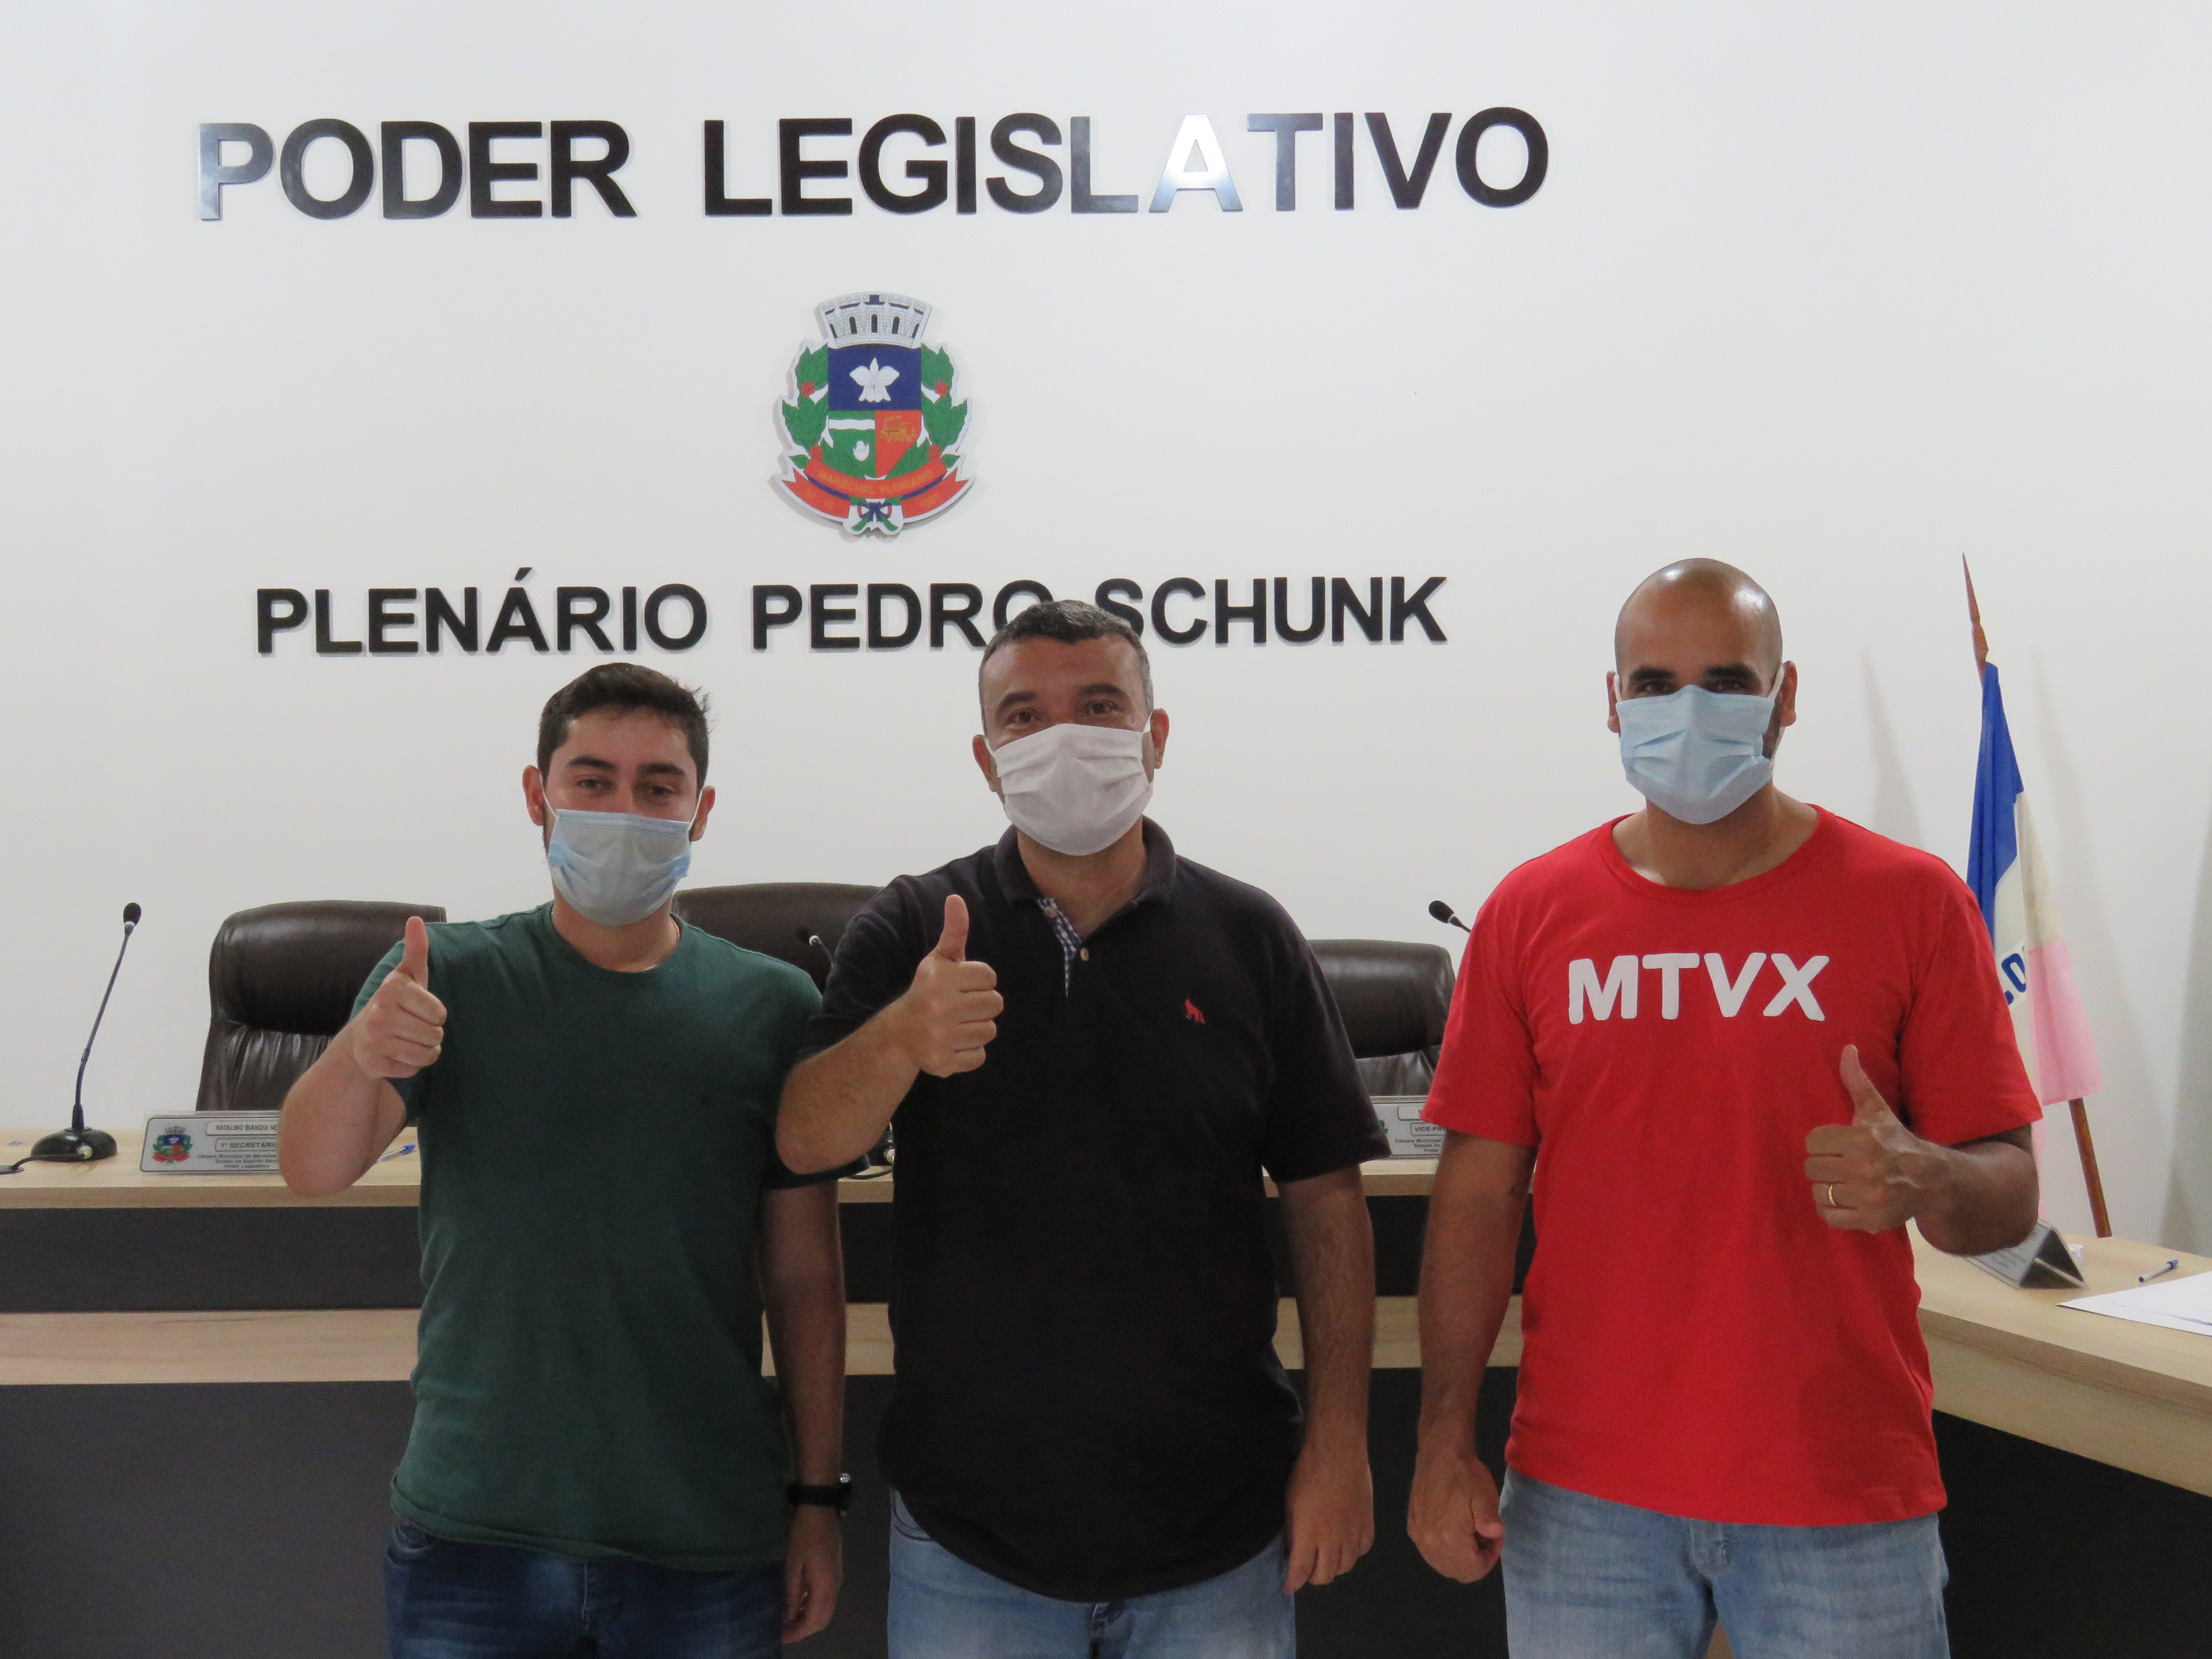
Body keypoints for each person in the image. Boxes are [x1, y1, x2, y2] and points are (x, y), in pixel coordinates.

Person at [1408, 560, 2041, 1659]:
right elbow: (1477, 1195)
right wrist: (1439, 1439)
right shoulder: (1531, 913)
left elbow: (2011, 1192)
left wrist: (1932, 1179)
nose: (1686, 710)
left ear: (1784, 697)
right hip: (1582, 1492)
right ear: (1611, 703)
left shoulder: (1911, 900)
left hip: (1842, 1488)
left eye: (1724, 679)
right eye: (1653, 683)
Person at [777, 599, 1387, 1659]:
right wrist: (900, 1040)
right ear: (985, 755)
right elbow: (802, 1141)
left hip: (1220, 1531)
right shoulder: (918, 924)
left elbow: (1328, 1203)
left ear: (1155, 736)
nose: (1062, 737)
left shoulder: (1250, 934)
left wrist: (1341, 1443)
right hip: (974, 1537)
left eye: (1099, 707)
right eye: (1025, 715)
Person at [279, 663, 850, 1659]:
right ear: (538, 795)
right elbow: (311, 1167)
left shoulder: (776, 1007)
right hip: (475, 1531)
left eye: (657, 787)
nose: (623, 809)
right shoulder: (443, 975)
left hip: (705, 1536)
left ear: (700, 811)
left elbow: (805, 1276)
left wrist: (817, 1498)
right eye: (592, 781)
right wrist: (358, 1054)